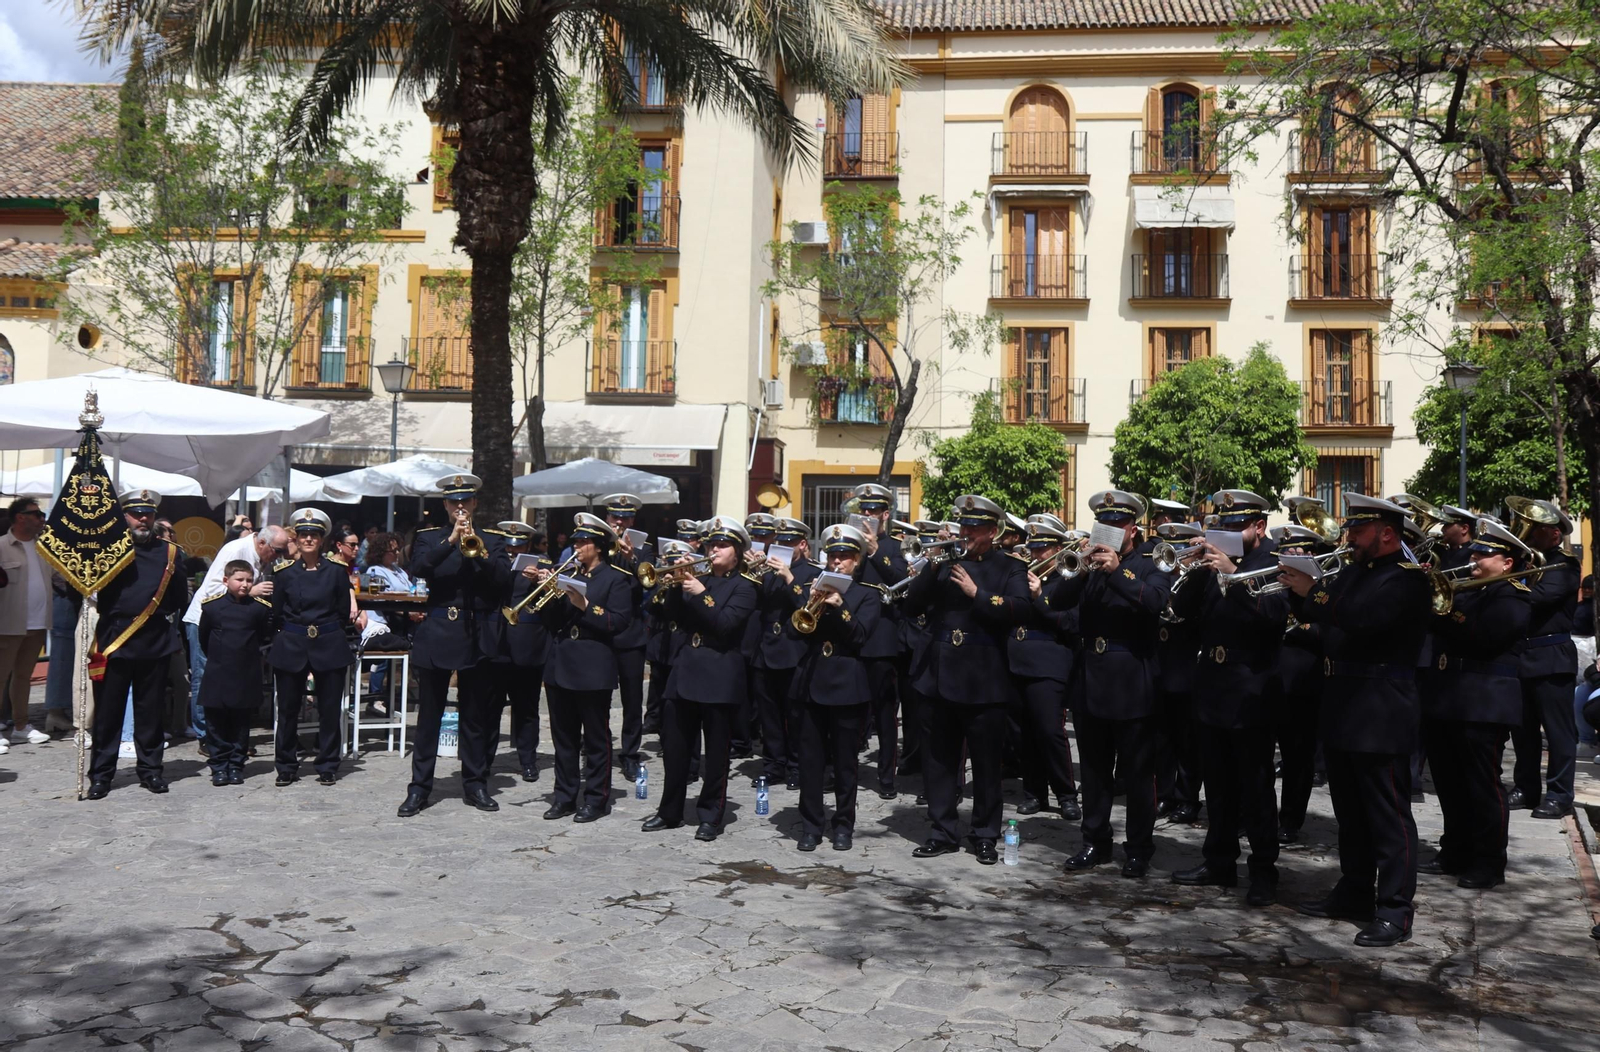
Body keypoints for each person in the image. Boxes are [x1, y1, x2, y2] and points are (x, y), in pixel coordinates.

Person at [1279, 493, 1432, 948]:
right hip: (1344, 705)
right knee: (1350, 814)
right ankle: (1354, 891)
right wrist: (1295, 591)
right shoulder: (1352, 572)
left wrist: (1315, 591)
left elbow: (1365, 619)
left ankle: (1395, 910)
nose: (1350, 538)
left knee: (1388, 816)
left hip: (1381, 709)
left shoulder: (1407, 580)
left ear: (1387, 534)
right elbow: (1324, 619)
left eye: (1359, 531)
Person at [1168, 490, 1287, 907]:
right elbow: (1182, 610)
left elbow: (1274, 616)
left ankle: (1264, 871)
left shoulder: (1273, 561)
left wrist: (1233, 574)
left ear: (1259, 526)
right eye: (1225, 526)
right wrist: (1194, 570)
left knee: (1256, 788)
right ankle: (1218, 860)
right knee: (1216, 784)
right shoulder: (1214, 560)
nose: (1229, 533)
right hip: (1213, 684)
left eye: (1238, 526)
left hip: (1252, 687)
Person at [900, 494, 1030, 866]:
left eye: (974, 528)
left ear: (992, 531)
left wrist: (978, 594)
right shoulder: (945, 563)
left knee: (986, 764)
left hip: (983, 677)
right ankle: (941, 830)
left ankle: (985, 834)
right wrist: (930, 566)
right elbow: (911, 605)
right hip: (939, 674)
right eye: (964, 526)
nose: (966, 533)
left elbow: (1021, 609)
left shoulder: (1010, 566)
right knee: (939, 760)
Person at [1058, 491, 1173, 879]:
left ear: (1132, 529)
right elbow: (1059, 601)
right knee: (1093, 771)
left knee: (1138, 774)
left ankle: (1138, 849)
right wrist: (1082, 570)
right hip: (1090, 678)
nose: (1106, 531)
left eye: (1115, 525)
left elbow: (1155, 601)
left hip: (1132, 680)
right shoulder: (1090, 564)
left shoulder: (1150, 561)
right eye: (1102, 524)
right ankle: (1094, 841)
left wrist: (1117, 570)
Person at [1421, 517, 1532, 890]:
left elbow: (1483, 635)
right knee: (1449, 781)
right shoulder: (1467, 589)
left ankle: (1489, 861)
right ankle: (1455, 849)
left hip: (1485, 700)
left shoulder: (1514, 595)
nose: (1474, 559)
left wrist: (1444, 611)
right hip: (1449, 695)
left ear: (1507, 563)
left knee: (1482, 784)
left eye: (1483, 555)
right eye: (1474, 552)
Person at [398, 473, 510, 817]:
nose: (460, 507)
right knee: (429, 716)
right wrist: (451, 541)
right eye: (453, 502)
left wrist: (479, 550)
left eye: (465, 501)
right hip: (437, 630)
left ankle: (475, 784)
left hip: (475, 632)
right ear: (445, 505)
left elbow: (503, 579)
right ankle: (419, 788)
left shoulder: (492, 539)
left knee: (474, 716)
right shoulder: (429, 537)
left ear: (474, 503)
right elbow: (418, 568)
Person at [645, 516, 759, 842]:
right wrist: (675, 584)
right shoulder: (698, 579)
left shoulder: (745, 587)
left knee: (717, 755)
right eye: (711, 545)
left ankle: (710, 815)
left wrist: (700, 591)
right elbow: (670, 616)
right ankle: (669, 811)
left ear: (737, 553)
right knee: (675, 749)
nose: (714, 550)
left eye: (722, 545)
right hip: (685, 672)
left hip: (720, 677)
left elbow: (724, 625)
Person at [86, 489, 188, 798]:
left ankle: (151, 769)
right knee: (108, 712)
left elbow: (177, 598)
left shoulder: (169, 552)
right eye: (136, 514)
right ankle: (101, 774)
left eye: (148, 514)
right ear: (124, 517)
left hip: (153, 639)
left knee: (150, 711)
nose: (143, 519)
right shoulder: (106, 549)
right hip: (115, 638)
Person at [792, 523, 882, 851]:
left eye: (844, 557)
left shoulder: (867, 594)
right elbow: (794, 632)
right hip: (812, 683)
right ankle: (811, 826)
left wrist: (840, 606)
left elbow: (860, 637)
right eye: (832, 556)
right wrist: (811, 601)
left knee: (845, 763)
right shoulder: (811, 589)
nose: (837, 562)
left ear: (856, 561)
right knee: (810, 761)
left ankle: (843, 825)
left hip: (848, 686)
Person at [268, 508, 357, 788]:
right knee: (288, 710)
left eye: (314, 535)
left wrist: (325, 630)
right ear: (296, 539)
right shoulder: (283, 573)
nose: (308, 539)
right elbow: (277, 612)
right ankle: (286, 765)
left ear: (322, 540)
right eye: (304, 535)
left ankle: (328, 764)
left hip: (328, 644)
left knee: (330, 709)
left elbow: (342, 611)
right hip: (292, 644)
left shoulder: (337, 572)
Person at [1507, 498, 1581, 819]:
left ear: (1554, 534)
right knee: (1522, 731)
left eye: (1538, 528)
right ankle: (1526, 788)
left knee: (1558, 732)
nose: (1530, 533)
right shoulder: (1524, 563)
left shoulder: (1564, 565)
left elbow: (1539, 597)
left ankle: (1560, 795)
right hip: (1523, 655)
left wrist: (1507, 585)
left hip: (1551, 655)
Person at [182, 525, 285, 751]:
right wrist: (251, 591)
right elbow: (212, 589)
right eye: (277, 550)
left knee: (235, 677)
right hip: (206, 620)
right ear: (262, 543)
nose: (279, 556)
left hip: (235, 624)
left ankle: (230, 736)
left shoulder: (264, 557)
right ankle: (206, 736)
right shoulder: (235, 550)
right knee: (205, 676)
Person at [1008, 514, 1081, 822]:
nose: (1036, 554)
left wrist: (1039, 597)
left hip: (1049, 663)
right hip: (1018, 661)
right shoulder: (1021, 576)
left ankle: (1066, 795)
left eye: (1042, 548)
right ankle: (1033, 792)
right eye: (1033, 548)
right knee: (1023, 734)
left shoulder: (1070, 579)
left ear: (1058, 549)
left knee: (1050, 732)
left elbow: (1070, 623)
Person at [1271, 524, 1331, 843]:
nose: (1291, 557)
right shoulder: (1272, 583)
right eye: (1286, 552)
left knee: (1297, 757)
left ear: (1312, 555)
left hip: (1303, 681)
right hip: (1266, 678)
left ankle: (1291, 819)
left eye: (1298, 552)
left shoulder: (1325, 588)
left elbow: (1329, 632)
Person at [751, 517, 820, 791]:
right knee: (769, 715)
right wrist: (755, 573)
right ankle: (772, 765)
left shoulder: (811, 572)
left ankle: (796, 766)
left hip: (794, 651)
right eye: (779, 542)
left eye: (789, 543)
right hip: (766, 649)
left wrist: (789, 578)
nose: (782, 547)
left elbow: (808, 606)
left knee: (796, 716)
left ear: (802, 544)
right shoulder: (768, 570)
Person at [851, 483, 910, 798]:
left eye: (873, 511)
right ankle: (844, 770)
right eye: (864, 510)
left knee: (885, 714)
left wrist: (874, 551)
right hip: (852, 634)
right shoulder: (851, 544)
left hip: (883, 639)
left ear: (885, 514)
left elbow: (903, 583)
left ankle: (886, 777)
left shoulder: (897, 546)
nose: (867, 515)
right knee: (850, 709)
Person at [198, 560, 272, 786]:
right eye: (239, 580)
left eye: (249, 580)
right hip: (218, 672)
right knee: (216, 723)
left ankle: (236, 765)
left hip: (245, 672)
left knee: (241, 724)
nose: (245, 584)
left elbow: (262, 636)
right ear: (226, 580)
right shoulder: (212, 607)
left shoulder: (259, 608)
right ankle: (219, 766)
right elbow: (204, 638)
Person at [1152, 521, 1203, 825]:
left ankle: (1187, 798)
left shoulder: (1200, 578)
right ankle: (1164, 794)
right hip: (1162, 664)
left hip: (1189, 666)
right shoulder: (1161, 576)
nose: (1178, 556)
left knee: (1188, 741)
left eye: (1184, 549)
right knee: (1162, 739)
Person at [599, 493, 653, 780]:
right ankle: (599, 748)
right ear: (607, 518)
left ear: (633, 521)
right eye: (615, 517)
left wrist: (631, 558)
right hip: (602, 631)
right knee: (598, 696)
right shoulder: (597, 544)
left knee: (632, 700)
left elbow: (647, 586)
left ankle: (630, 754)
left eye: (625, 518)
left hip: (631, 633)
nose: (619, 522)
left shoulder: (645, 550)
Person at [493, 522, 550, 783]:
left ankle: (528, 760)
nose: (513, 551)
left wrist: (541, 579)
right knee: (491, 707)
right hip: (498, 643)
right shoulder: (496, 564)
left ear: (527, 546)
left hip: (528, 644)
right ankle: (484, 760)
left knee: (527, 707)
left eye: (518, 546)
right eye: (509, 546)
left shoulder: (542, 565)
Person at [0, 497, 56, 748]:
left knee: (23, 677)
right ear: (20, 517)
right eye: (37, 514)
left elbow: (60, 577)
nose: (42, 518)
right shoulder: (2, 546)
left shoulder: (43, 547)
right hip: (7, 624)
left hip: (37, 623)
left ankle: (21, 726)